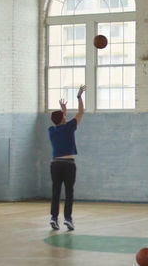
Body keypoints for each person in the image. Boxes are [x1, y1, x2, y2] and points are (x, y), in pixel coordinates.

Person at [48, 85, 86, 231]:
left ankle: (53, 218)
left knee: (56, 191)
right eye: (64, 115)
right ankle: (68, 219)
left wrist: (63, 112)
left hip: (55, 164)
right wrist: (79, 96)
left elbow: (59, 121)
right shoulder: (69, 127)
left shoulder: (51, 130)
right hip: (68, 164)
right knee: (69, 191)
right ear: (64, 118)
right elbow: (81, 112)